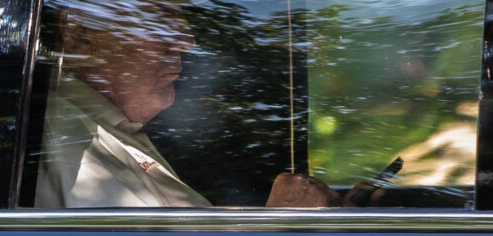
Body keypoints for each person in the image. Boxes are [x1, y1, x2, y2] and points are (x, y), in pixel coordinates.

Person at [35, 0, 381, 208]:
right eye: (160, 18)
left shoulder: (105, 131)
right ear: (80, 32)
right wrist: (286, 226)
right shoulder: (62, 138)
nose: (186, 40)